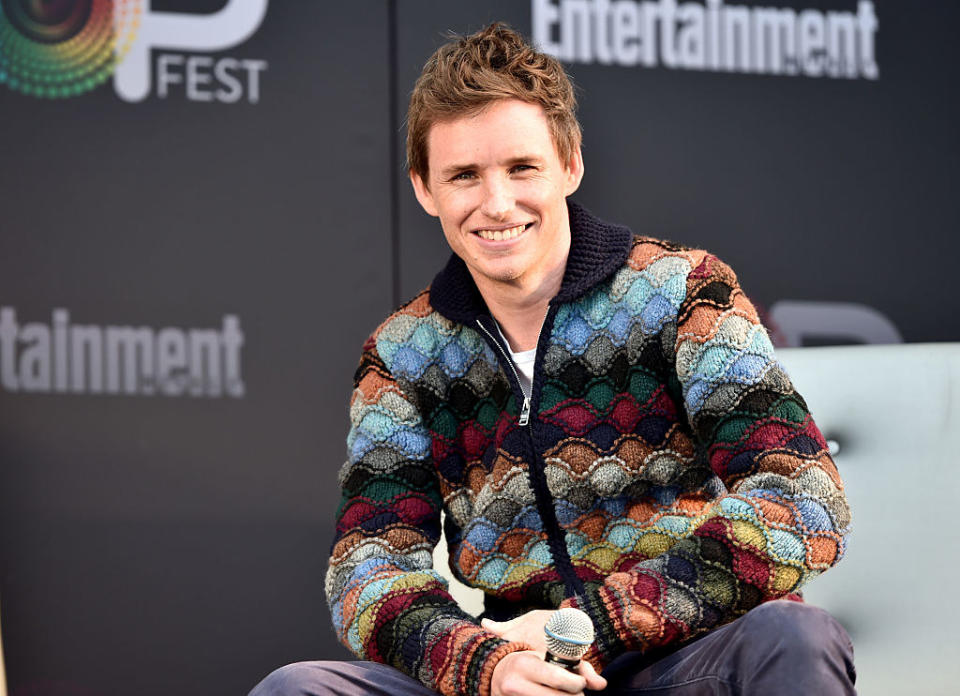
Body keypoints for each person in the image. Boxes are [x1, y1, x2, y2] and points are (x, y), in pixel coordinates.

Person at [251, 22, 855, 696]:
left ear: (570, 164)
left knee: (793, 637)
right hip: (512, 673)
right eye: (464, 176)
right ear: (425, 188)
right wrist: (484, 664)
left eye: (521, 167)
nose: (497, 203)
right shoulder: (401, 354)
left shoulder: (683, 291)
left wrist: (601, 621)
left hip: (679, 656)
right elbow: (367, 569)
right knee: (299, 689)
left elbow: (805, 503)